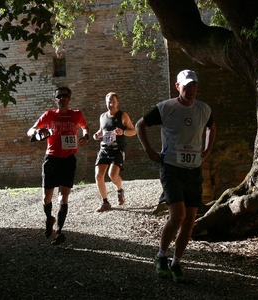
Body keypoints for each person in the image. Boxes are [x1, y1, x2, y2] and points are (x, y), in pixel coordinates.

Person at [135, 69, 217, 283]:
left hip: (193, 170)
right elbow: (140, 125)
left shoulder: (204, 109)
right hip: (171, 167)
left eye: (194, 86)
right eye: (186, 86)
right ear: (177, 86)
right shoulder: (166, 107)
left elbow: (212, 127)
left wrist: (206, 151)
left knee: (190, 220)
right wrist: (149, 151)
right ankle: (161, 256)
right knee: (178, 215)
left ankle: (176, 262)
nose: (190, 90)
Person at [27, 86, 89, 245]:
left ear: (69, 98)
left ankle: (59, 232)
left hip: (68, 159)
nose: (62, 98)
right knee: (46, 198)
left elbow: (84, 127)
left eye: (65, 96)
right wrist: (37, 133)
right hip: (52, 159)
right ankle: (50, 219)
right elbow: (31, 130)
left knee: (63, 196)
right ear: (56, 99)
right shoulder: (49, 115)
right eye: (59, 96)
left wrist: (86, 135)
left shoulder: (76, 114)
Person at [93, 92, 136, 212]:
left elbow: (133, 131)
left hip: (117, 149)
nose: (110, 103)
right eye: (108, 101)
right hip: (104, 149)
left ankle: (119, 189)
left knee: (112, 175)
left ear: (117, 103)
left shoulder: (123, 115)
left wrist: (123, 132)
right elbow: (102, 131)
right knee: (98, 175)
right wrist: (97, 135)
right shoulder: (102, 117)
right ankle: (105, 202)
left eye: (113, 101)